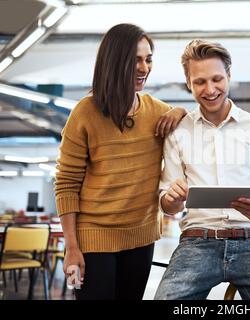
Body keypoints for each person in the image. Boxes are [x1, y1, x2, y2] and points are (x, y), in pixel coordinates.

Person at [54, 23, 187, 300]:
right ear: (115, 62)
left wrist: (181, 111)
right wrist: (72, 247)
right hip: (93, 239)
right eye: (135, 60)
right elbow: (66, 184)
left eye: (148, 59)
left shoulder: (158, 112)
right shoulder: (84, 113)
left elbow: (199, 123)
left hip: (140, 239)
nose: (144, 68)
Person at [154, 39, 250, 300]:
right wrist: (171, 199)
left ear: (229, 75)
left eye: (217, 79)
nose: (210, 89)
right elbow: (167, 204)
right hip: (196, 243)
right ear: (188, 83)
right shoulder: (178, 132)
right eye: (200, 82)